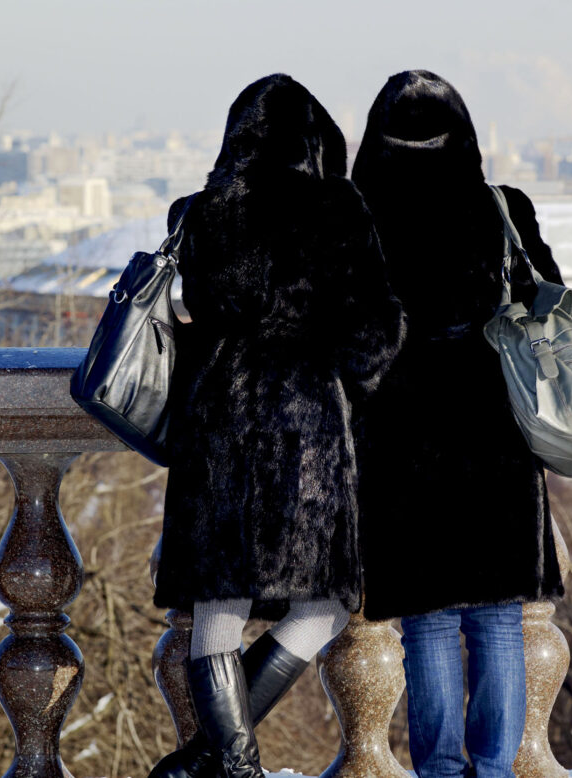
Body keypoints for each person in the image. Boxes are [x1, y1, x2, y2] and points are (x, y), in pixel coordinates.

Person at [150, 74, 405, 778]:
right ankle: (228, 758)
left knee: (220, 599)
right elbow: (374, 338)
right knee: (327, 602)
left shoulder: (203, 213)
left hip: (217, 427)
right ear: (314, 140)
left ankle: (219, 754)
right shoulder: (337, 209)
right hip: (304, 436)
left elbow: (197, 312)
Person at [351, 70, 565, 778]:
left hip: (401, 439)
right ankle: (494, 769)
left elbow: (350, 334)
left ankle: (440, 770)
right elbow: (549, 295)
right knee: (496, 618)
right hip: (493, 433)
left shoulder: (359, 217)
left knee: (430, 621)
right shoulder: (499, 207)